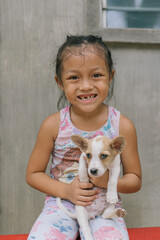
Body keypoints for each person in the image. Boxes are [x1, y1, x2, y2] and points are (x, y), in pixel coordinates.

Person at [26, 35, 142, 240]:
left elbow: (134, 180)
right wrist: (67, 191)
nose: (86, 85)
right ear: (59, 82)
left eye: (96, 75)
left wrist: (107, 182)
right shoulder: (53, 125)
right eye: (74, 77)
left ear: (110, 76)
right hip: (62, 203)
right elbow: (33, 173)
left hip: (105, 204)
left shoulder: (121, 126)